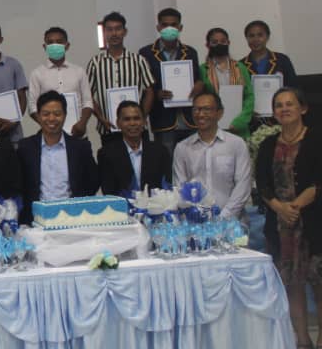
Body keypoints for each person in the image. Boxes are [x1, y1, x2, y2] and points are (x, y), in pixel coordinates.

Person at [256, 88, 322, 349]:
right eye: (279, 105)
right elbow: (262, 184)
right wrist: (279, 207)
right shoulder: (268, 145)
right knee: (292, 286)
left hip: (316, 225)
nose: (284, 109)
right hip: (281, 228)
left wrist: (294, 206)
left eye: (289, 104)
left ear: (302, 108)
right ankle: (302, 341)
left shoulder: (318, 140)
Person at [18, 91, 99, 223]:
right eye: (46, 114)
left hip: (74, 219)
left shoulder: (80, 147)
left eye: (57, 114)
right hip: (35, 219)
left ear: (65, 115)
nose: (51, 119)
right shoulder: (25, 148)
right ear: (38, 116)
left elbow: (93, 181)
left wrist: (78, 206)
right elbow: (20, 185)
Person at [172, 91, 252, 220]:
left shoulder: (236, 144)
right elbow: (180, 187)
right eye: (196, 109)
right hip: (195, 223)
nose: (200, 114)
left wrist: (223, 218)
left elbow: (243, 186)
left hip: (232, 222)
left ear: (220, 113)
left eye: (207, 109)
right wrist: (196, 215)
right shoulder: (182, 148)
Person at [139, 8, 204, 154]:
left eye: (173, 25)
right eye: (165, 25)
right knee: (166, 161)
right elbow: (143, 85)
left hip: (189, 118)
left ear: (180, 27)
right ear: (158, 27)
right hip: (163, 119)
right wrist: (156, 94)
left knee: (194, 159)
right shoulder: (146, 53)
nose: (169, 28)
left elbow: (198, 79)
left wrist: (199, 85)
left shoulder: (190, 52)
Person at [86, 11, 155, 143]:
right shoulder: (95, 63)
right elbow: (87, 95)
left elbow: (149, 91)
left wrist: (142, 117)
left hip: (137, 129)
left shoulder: (139, 60)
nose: (114, 33)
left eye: (118, 29)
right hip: (108, 128)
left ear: (125, 31)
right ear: (104, 33)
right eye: (109, 29)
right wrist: (101, 119)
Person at [27, 26, 93, 137]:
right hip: (49, 136)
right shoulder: (37, 74)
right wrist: (46, 124)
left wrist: (82, 123)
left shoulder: (79, 71)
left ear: (67, 46)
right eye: (50, 42)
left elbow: (88, 101)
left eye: (59, 42)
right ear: (44, 47)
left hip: (77, 134)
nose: (54, 45)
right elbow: (32, 105)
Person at [98, 101, 172, 195]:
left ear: (144, 122)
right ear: (118, 123)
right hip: (122, 203)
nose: (132, 123)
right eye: (127, 119)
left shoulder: (160, 151)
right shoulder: (106, 154)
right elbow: (109, 191)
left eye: (136, 118)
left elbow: (166, 186)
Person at [199, 27, 255, 139]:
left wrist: (240, 121)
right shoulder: (202, 70)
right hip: (213, 127)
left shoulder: (240, 67)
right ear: (208, 45)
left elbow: (249, 96)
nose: (219, 44)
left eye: (223, 41)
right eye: (214, 42)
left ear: (228, 43)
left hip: (239, 127)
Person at [242, 20, 298, 87]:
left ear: (267, 37)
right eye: (251, 36)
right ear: (246, 38)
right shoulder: (241, 65)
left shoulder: (282, 60)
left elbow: (294, 87)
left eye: (260, 35)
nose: (256, 39)